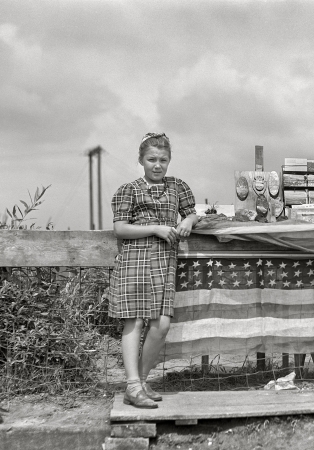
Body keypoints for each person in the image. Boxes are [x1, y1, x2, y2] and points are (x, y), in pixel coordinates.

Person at [108, 132, 198, 408]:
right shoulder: (129, 189)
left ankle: (141, 382)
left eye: (163, 160)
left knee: (161, 324)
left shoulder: (178, 186)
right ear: (141, 160)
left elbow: (193, 211)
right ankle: (133, 386)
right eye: (151, 160)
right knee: (134, 321)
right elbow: (120, 228)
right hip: (134, 259)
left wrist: (190, 221)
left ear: (169, 161)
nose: (157, 165)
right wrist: (156, 228)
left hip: (163, 260)